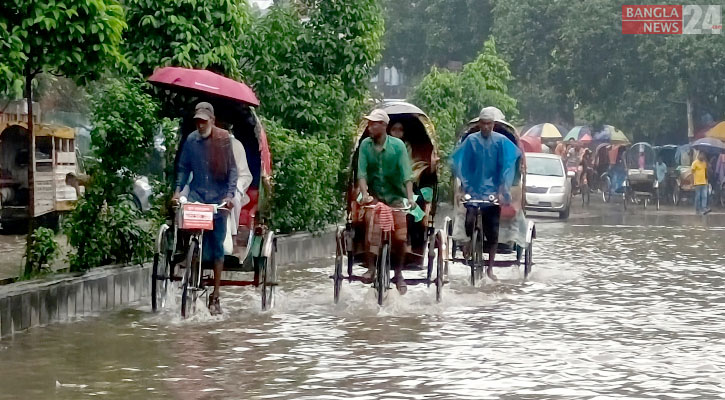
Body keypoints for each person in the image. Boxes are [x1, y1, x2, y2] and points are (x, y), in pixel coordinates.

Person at [174, 102, 238, 315]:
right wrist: (177, 190)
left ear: (212, 120)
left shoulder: (223, 140)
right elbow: (183, 169)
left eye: (204, 121)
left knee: (218, 247)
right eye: (197, 122)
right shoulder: (191, 141)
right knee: (186, 223)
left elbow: (233, 172)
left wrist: (229, 197)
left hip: (219, 198)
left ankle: (216, 294)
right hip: (198, 194)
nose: (200, 125)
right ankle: (191, 262)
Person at [450, 107, 521, 281]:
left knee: (493, 230)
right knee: (469, 220)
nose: (486, 127)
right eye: (483, 123)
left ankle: (489, 268)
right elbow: (462, 164)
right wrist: (464, 186)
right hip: (473, 189)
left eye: (489, 124)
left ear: (493, 125)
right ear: (480, 124)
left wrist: (502, 189)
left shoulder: (501, 142)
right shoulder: (471, 141)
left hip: (493, 190)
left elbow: (505, 166)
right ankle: (468, 243)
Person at [357, 109, 415, 294]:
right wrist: (365, 194)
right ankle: (372, 266)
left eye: (374, 123)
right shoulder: (365, 145)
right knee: (370, 222)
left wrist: (410, 197)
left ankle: (398, 273)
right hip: (374, 196)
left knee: (400, 236)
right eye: (369, 123)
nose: (370, 127)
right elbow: (362, 173)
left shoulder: (398, 146)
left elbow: (407, 174)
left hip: (396, 198)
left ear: (383, 126)